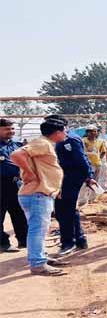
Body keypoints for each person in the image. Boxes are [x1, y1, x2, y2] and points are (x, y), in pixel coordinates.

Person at [11, 118, 70, 275]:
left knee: (41, 229)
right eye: (65, 130)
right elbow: (16, 155)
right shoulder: (42, 143)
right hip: (37, 194)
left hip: (40, 193)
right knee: (37, 229)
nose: (66, 133)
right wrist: (30, 173)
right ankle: (37, 264)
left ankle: (41, 257)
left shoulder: (44, 144)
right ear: (57, 132)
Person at [51, 115, 96, 256]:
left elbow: (81, 159)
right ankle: (80, 240)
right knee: (69, 209)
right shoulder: (65, 138)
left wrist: (88, 176)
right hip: (67, 177)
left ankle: (68, 243)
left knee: (63, 210)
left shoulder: (69, 139)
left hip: (70, 177)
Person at [0, 119, 27, 252]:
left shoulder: (17, 145)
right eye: (6, 129)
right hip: (1, 184)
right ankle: (3, 243)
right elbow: (8, 164)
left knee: (19, 212)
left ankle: (24, 240)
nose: (10, 131)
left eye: (12, 129)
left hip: (15, 183)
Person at [82, 125, 107, 203]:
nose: (92, 133)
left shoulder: (100, 142)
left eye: (94, 131)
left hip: (97, 164)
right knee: (85, 181)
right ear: (87, 132)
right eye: (90, 131)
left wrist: (99, 158)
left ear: (97, 133)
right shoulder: (83, 141)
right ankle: (83, 199)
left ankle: (92, 198)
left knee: (95, 181)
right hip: (86, 164)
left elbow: (103, 151)